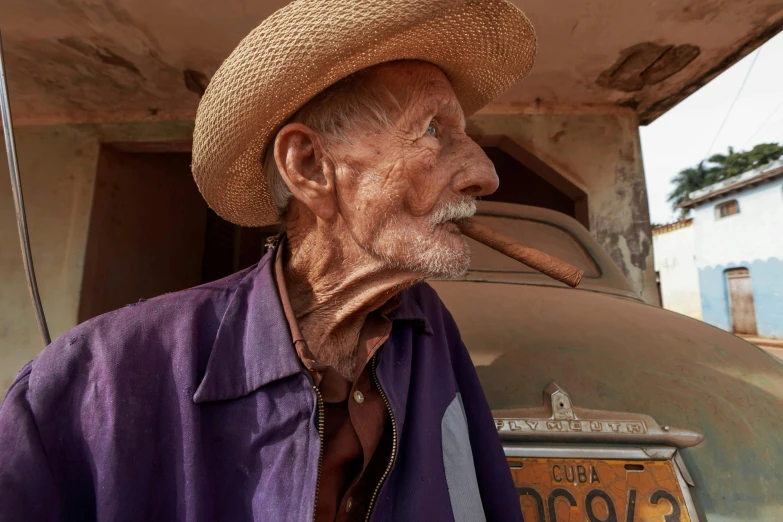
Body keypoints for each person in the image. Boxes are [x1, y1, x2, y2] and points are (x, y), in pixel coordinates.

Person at [0, 0, 536, 520]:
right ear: (308, 166)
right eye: (433, 130)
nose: (484, 173)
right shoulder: (96, 379)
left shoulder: (428, 329)